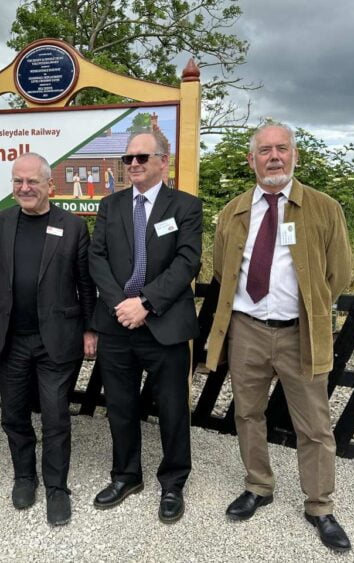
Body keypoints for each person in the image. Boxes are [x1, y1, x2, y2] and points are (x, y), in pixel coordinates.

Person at [205, 122, 353, 552]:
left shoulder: (324, 208)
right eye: (264, 150)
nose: (274, 157)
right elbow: (221, 269)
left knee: (315, 426)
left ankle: (320, 506)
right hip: (247, 329)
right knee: (248, 414)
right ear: (251, 160)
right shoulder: (234, 211)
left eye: (282, 149)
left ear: (295, 156)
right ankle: (258, 486)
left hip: (300, 332)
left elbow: (338, 274)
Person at [89, 130, 202, 523]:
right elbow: (96, 258)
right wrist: (122, 304)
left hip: (164, 325)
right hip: (118, 324)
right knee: (119, 406)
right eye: (128, 159)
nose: (133, 164)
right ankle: (125, 476)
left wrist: (147, 303)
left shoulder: (185, 206)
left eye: (142, 157)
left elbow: (187, 262)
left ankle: (173, 483)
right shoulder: (111, 205)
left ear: (162, 161)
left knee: (172, 409)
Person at [0, 153, 96, 526]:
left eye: (32, 181)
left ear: (50, 185)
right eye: (18, 181)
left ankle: (56, 488)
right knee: (13, 415)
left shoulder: (73, 226)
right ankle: (23, 477)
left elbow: (86, 285)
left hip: (57, 340)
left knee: (54, 418)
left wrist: (89, 329)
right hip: (12, 340)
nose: (24, 188)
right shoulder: (0, 223)